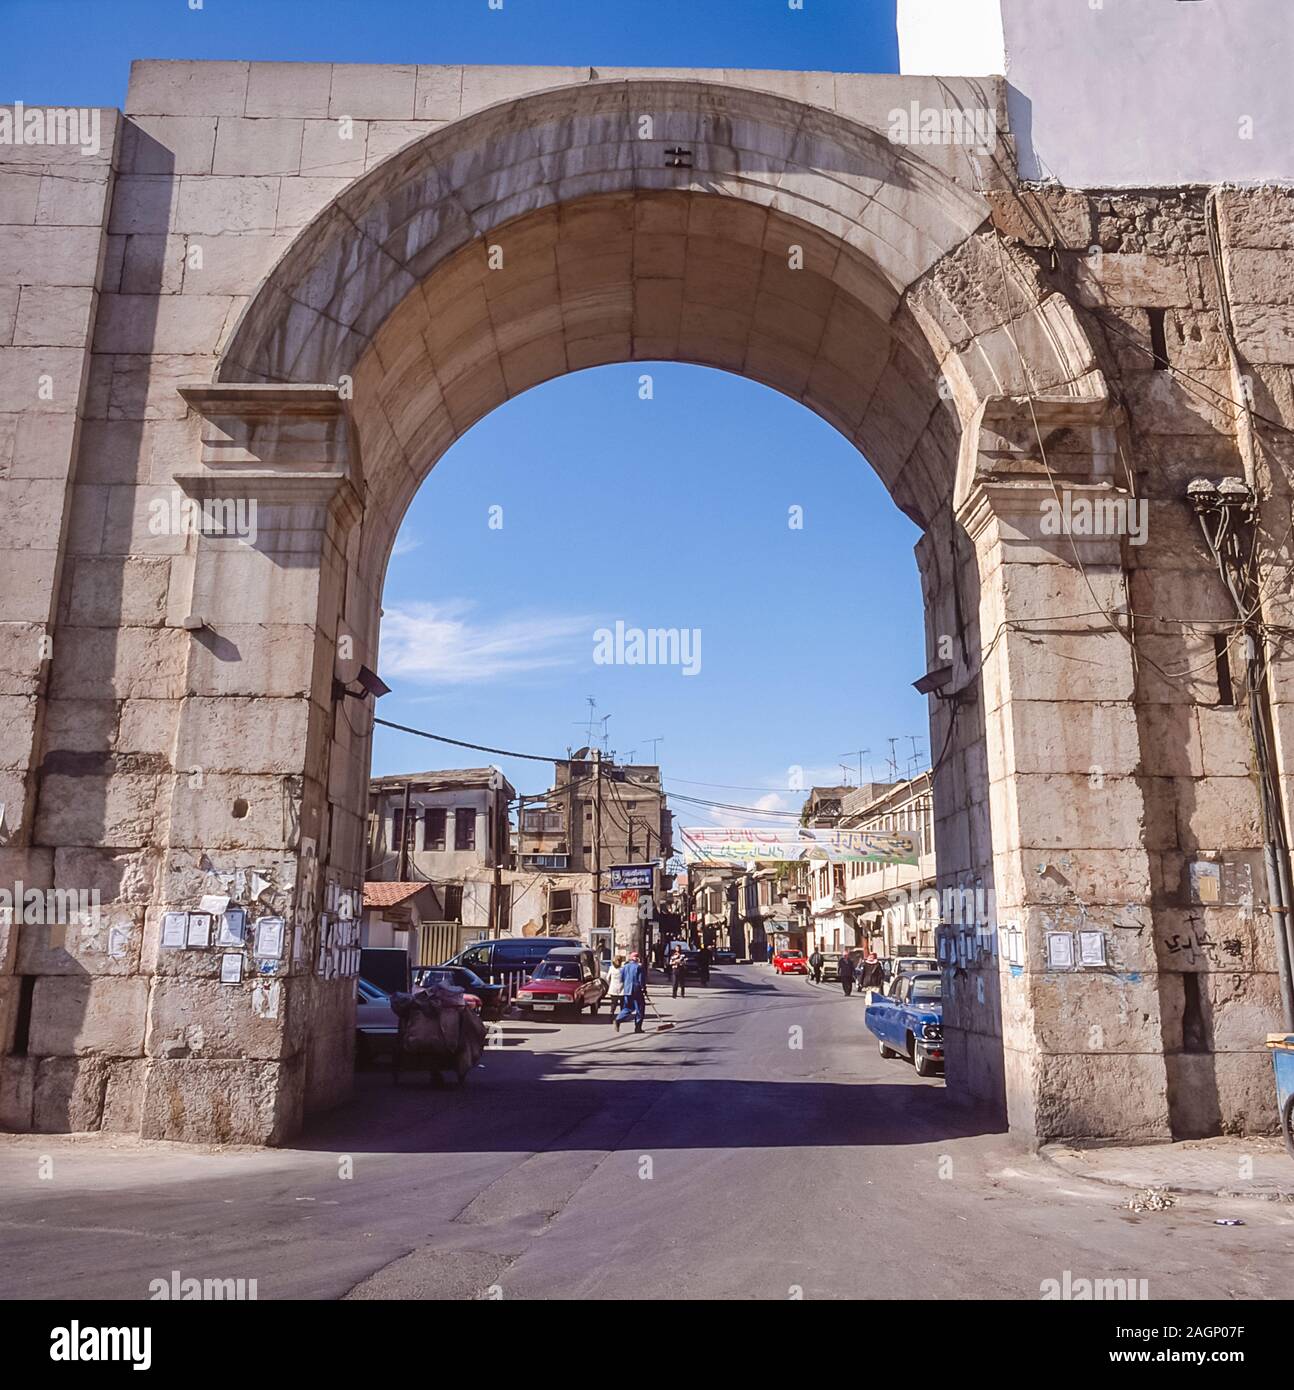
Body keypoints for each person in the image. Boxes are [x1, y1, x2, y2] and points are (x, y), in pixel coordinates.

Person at [615, 951, 647, 1033]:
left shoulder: (625, 967)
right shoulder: (639, 967)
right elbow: (641, 980)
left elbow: (622, 979)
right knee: (640, 1008)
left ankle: (618, 1019)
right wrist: (643, 988)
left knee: (628, 1007)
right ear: (637, 958)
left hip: (627, 990)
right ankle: (638, 1027)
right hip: (636, 990)